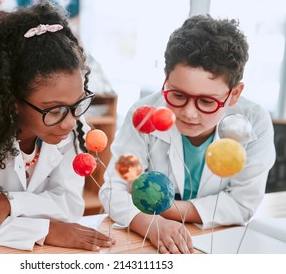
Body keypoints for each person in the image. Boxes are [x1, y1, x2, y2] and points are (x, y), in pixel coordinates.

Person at [0, 0, 114, 251]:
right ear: (13, 101)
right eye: (55, 109)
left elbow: (69, 205)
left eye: (78, 103)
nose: (70, 122)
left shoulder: (70, 129)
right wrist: (45, 229)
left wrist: (8, 203)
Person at [99, 14, 276, 254]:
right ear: (166, 80)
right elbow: (112, 189)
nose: (189, 113)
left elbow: (243, 204)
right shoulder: (144, 116)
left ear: (234, 94)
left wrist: (160, 207)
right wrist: (150, 224)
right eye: (178, 95)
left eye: (206, 101)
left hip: (217, 239)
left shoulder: (255, 122)